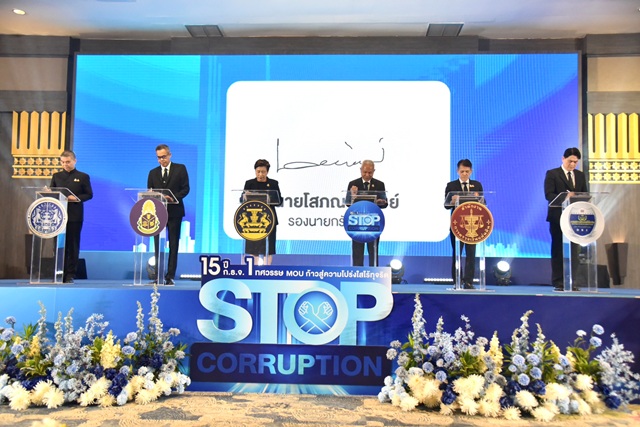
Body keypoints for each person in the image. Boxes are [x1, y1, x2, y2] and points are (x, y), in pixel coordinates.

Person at [544, 147, 588, 291]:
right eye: (570, 161)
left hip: (575, 218)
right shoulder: (552, 174)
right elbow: (548, 195)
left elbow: (585, 194)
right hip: (557, 217)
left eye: (575, 162)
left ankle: (573, 281)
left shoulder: (580, 175)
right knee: (558, 249)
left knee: (575, 251)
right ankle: (558, 282)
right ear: (563, 159)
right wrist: (565, 196)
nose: (572, 164)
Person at [147, 144, 190, 285]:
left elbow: (185, 189)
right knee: (157, 245)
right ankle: (158, 275)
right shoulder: (153, 173)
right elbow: (149, 191)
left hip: (175, 211)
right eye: (159, 158)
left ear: (170, 155)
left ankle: (170, 276)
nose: (161, 160)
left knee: (173, 244)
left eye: (164, 157)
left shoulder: (180, 169)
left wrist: (173, 197)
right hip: (157, 214)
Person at [50, 150, 93, 284]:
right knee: (58, 245)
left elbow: (89, 194)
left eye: (68, 162)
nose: (65, 165)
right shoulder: (56, 176)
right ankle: (58, 273)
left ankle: (70, 274)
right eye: (62, 162)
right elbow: (52, 192)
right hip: (58, 216)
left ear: (74, 161)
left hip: (74, 216)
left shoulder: (83, 176)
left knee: (72, 245)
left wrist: (76, 198)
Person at [444, 159, 483, 289]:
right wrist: (452, 200)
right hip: (457, 225)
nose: (464, 174)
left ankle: (469, 281)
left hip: (473, 224)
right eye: (462, 171)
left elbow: (483, 202)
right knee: (457, 254)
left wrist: (478, 198)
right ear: (457, 171)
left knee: (471, 254)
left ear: (471, 171)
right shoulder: (451, 186)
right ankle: (457, 281)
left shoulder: (477, 185)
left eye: (467, 171)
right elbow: (446, 205)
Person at [346, 160, 388, 267]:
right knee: (357, 251)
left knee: (373, 251)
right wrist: (353, 196)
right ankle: (357, 272)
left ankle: (373, 272)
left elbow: (385, 204)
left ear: (374, 171)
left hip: (373, 223)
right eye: (365, 172)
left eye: (370, 172)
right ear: (360, 170)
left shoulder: (379, 184)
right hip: (358, 223)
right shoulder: (353, 184)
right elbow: (347, 203)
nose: (367, 175)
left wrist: (381, 202)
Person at [242, 159, 283, 265]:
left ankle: (266, 270)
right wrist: (245, 196)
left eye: (263, 172)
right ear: (255, 171)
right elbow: (242, 200)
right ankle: (252, 269)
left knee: (268, 249)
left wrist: (270, 198)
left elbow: (279, 201)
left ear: (267, 172)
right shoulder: (249, 183)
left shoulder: (273, 184)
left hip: (269, 220)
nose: (260, 174)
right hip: (252, 221)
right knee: (253, 249)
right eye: (258, 171)